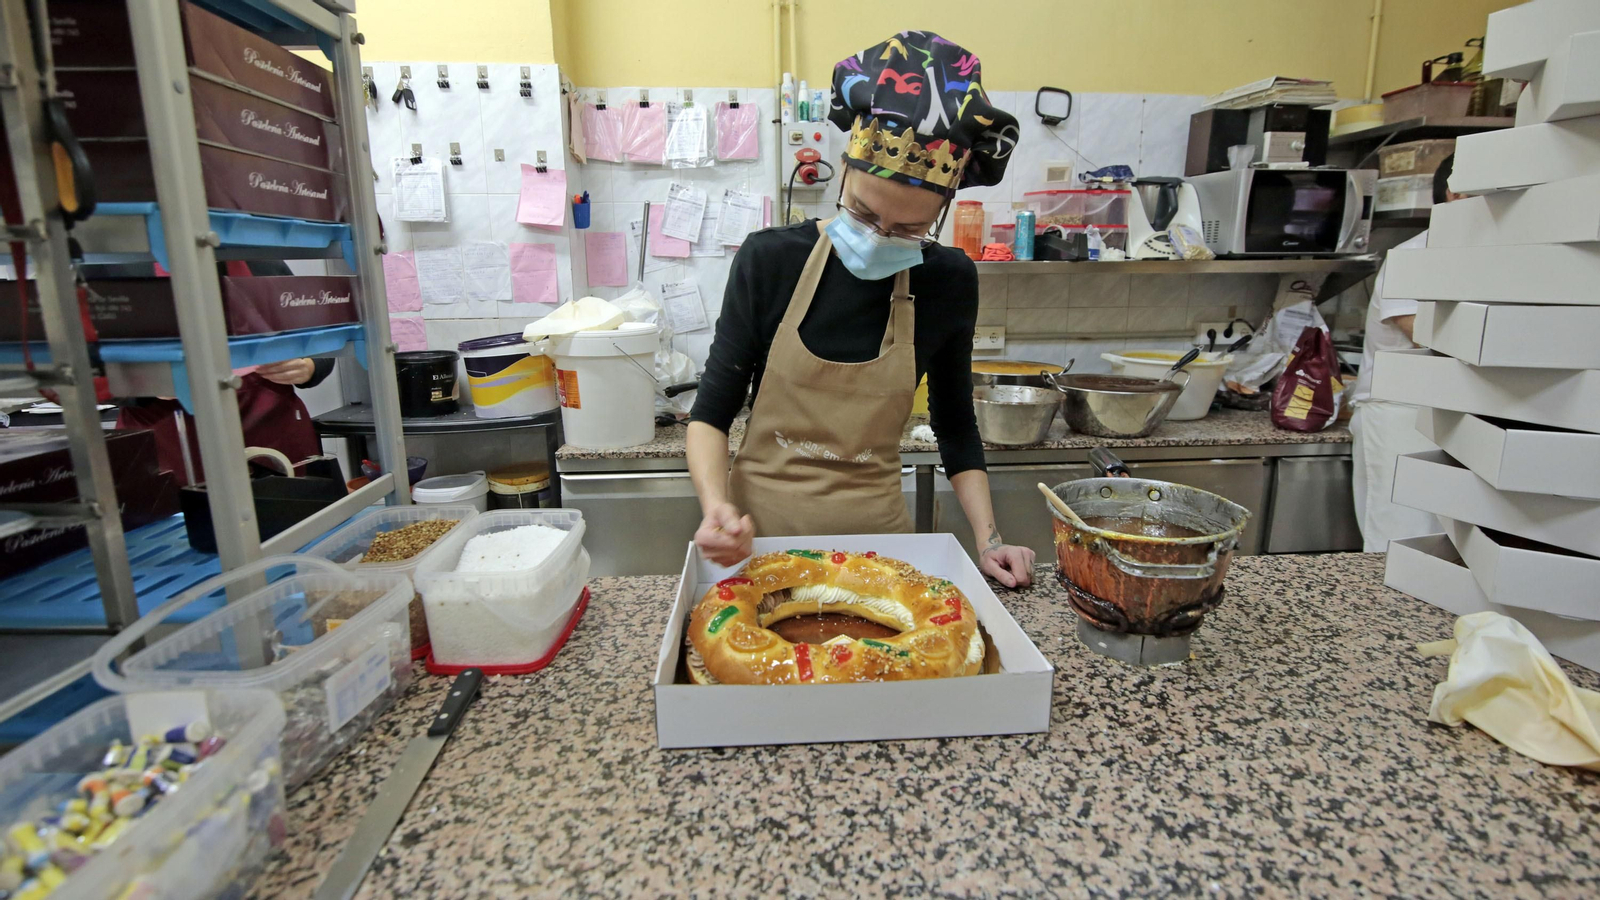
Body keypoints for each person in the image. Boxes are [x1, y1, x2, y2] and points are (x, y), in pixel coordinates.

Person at [686, 31, 1036, 587]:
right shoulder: (770, 260)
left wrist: (990, 540)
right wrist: (714, 508)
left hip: (875, 551)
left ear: (942, 211)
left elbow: (955, 423)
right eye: (865, 214)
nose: (878, 238)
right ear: (845, 170)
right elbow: (710, 414)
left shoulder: (947, 281)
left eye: (910, 229)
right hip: (757, 544)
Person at [1349, 154, 1462, 551]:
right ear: (1455, 192)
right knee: (1399, 542)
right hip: (1399, 415)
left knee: (1440, 545)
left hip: (1452, 415)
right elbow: (1420, 332)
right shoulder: (1412, 257)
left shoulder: (1481, 259)